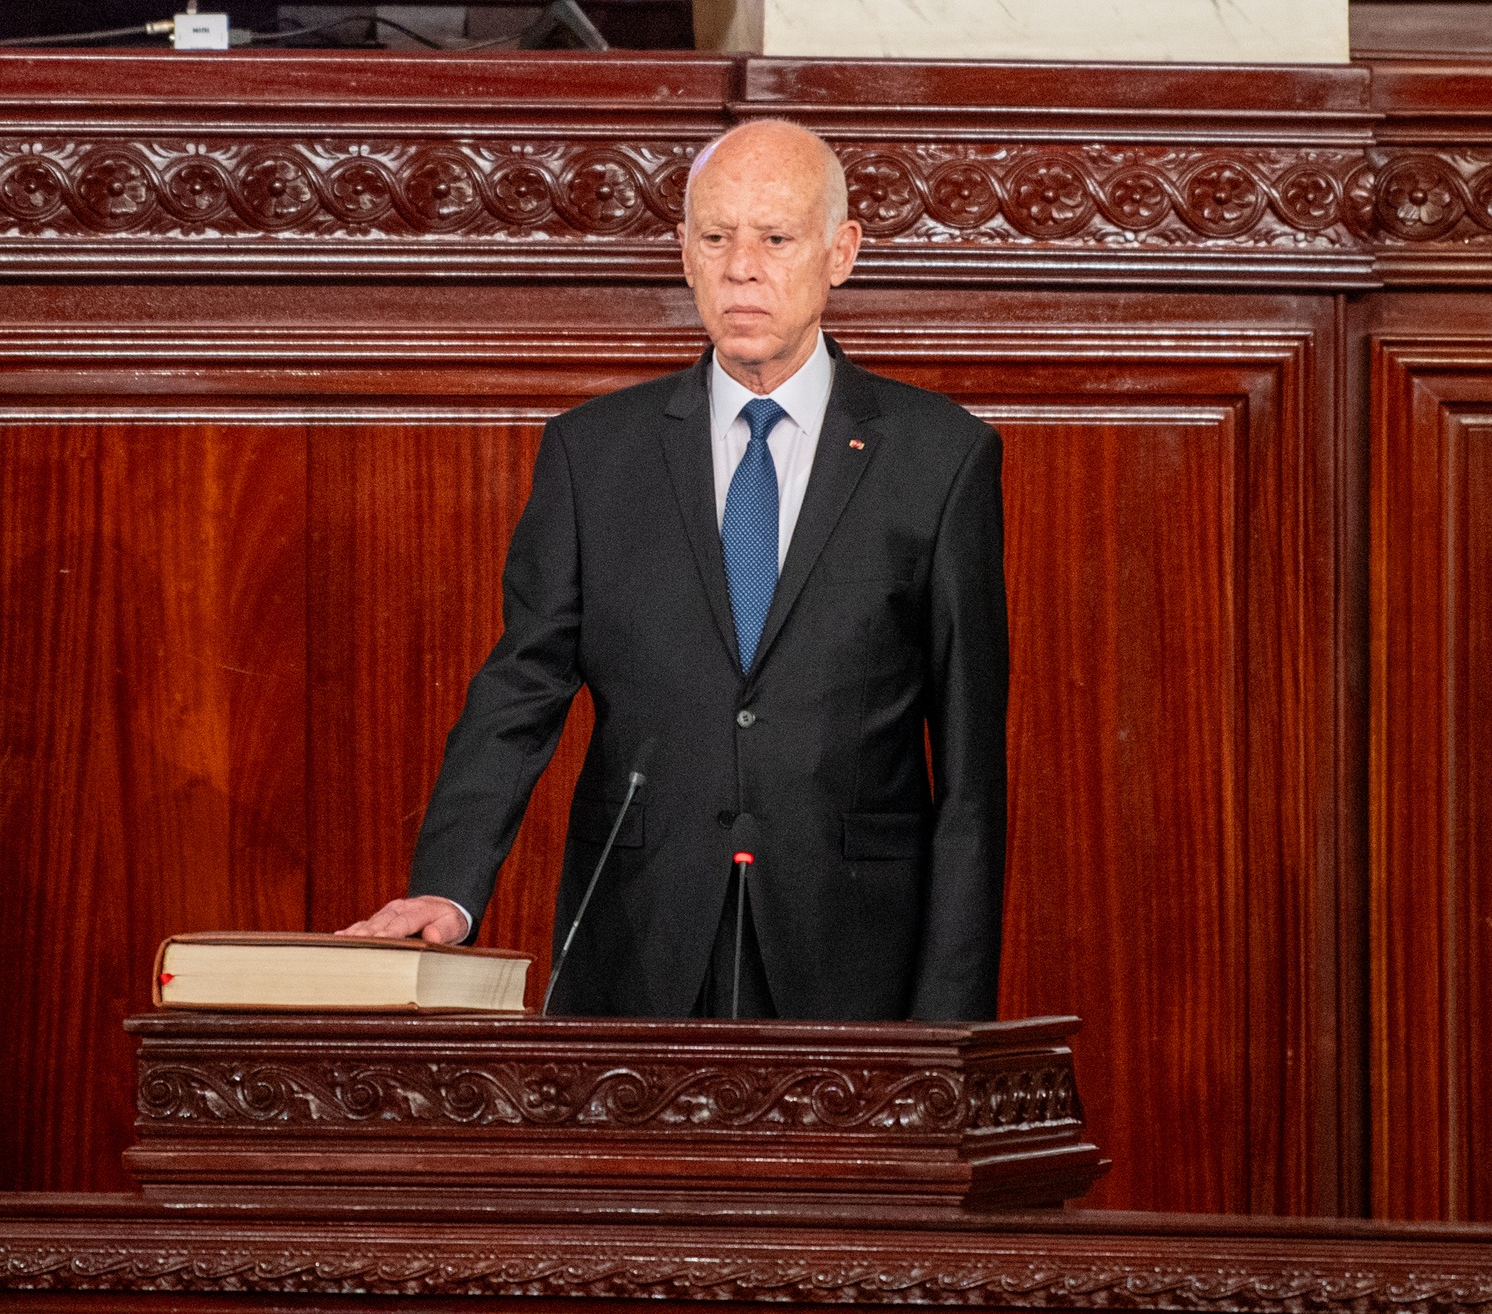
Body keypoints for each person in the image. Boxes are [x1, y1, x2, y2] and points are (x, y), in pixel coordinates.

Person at [340, 119, 1007, 1021]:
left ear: (840, 253)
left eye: (776, 239)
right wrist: (449, 887)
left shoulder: (940, 457)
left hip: (853, 952)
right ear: (684, 254)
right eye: (716, 237)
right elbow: (520, 689)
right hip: (640, 938)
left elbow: (970, 771)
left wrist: (949, 1019)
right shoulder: (593, 454)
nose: (742, 269)